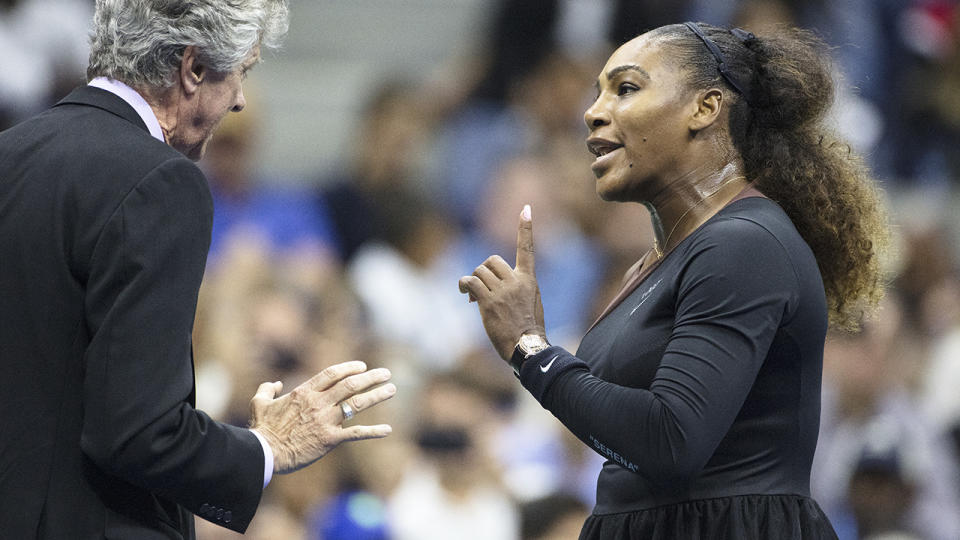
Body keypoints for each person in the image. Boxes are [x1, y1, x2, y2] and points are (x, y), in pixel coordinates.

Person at [459, 21, 890, 539]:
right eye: (597, 93)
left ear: (705, 108)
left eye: (626, 88)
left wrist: (529, 350)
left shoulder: (743, 244)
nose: (593, 111)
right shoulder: (667, 259)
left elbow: (671, 441)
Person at [0, 1, 395, 538]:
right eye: (242, 72)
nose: (240, 100)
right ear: (193, 69)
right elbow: (137, 431)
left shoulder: (11, 150)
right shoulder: (161, 181)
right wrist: (268, 447)